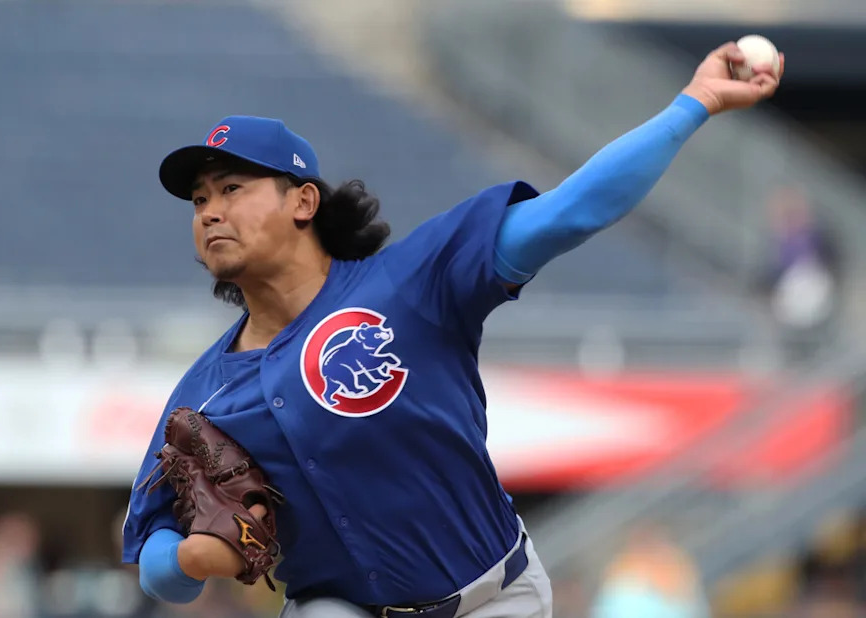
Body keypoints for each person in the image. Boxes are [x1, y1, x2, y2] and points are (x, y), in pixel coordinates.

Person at [122, 43, 784, 618]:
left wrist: (692, 103)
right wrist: (187, 560)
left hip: (498, 599)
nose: (210, 211)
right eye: (200, 200)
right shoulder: (204, 394)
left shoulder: (410, 284)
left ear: (303, 200)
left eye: (232, 187)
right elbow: (152, 554)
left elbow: (572, 212)